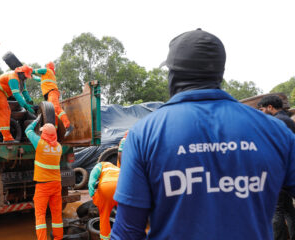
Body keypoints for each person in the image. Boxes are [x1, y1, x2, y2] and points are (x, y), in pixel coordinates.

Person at [111, 28, 295, 240]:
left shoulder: (143, 135)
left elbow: (127, 232)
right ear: (219, 73)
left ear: (173, 74)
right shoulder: (274, 131)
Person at [258, 95, 295, 240]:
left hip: (279, 169)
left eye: (261, 109)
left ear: (270, 107)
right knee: (288, 209)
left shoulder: (275, 122)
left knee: (277, 210)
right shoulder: (288, 119)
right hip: (289, 168)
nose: (261, 113)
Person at [25, 117, 63, 240]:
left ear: (44, 134)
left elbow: (28, 130)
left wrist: (36, 120)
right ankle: (58, 238)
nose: (40, 133)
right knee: (56, 214)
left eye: (42, 132)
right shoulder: (59, 148)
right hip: (56, 184)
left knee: (40, 215)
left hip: (43, 186)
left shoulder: (39, 143)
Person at [0, 65, 35, 143]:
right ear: (21, 73)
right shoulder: (13, 78)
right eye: (25, 76)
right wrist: (25, 106)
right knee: (5, 111)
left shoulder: (21, 80)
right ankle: (7, 138)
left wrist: (30, 101)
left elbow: (24, 92)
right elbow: (16, 94)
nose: (26, 78)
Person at [32, 62, 74, 137]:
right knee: (53, 114)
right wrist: (32, 76)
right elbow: (38, 79)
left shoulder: (47, 71)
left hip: (52, 93)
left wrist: (29, 70)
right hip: (50, 95)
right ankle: (54, 134)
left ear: (48, 67)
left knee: (56, 108)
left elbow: (37, 70)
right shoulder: (47, 76)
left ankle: (68, 126)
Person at [88, 161, 120, 240]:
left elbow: (92, 178)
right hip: (121, 187)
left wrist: (92, 193)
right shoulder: (117, 168)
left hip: (106, 187)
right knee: (122, 215)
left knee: (104, 217)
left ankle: (104, 238)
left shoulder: (100, 165)